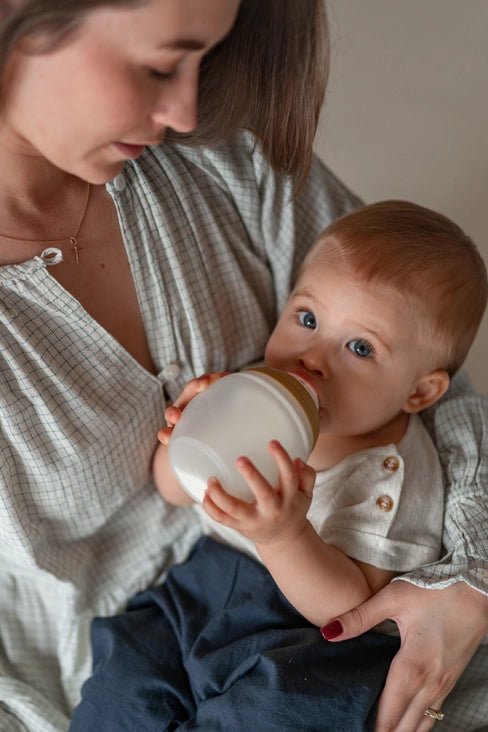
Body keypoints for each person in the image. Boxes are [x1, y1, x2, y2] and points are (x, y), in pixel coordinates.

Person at [0, 1, 486, 730]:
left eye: (205, 58)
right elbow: (179, 485)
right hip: (126, 639)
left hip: (310, 635)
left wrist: (471, 583)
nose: (189, 111)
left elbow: (427, 358)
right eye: (161, 64)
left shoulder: (219, 160)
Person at [70, 199, 487, 730]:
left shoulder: (393, 472)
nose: (311, 357)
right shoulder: (253, 394)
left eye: (360, 347)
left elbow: (347, 608)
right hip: (198, 591)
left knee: (272, 713)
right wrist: (188, 435)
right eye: (307, 318)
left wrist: (284, 536)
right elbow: (174, 490)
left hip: (303, 646)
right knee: (122, 688)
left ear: (419, 392)